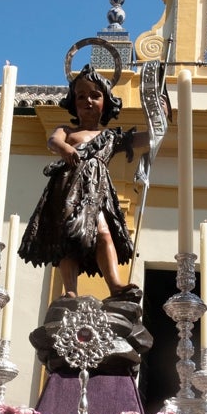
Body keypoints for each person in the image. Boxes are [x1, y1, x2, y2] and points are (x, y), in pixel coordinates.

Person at [19, 64, 150, 298]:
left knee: (104, 233)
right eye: (81, 96)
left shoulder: (110, 137)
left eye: (95, 95)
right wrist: (66, 149)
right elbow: (53, 141)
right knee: (67, 238)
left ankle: (115, 285)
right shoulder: (67, 130)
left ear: (106, 103)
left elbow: (146, 139)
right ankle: (70, 290)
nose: (88, 101)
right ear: (73, 102)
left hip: (96, 193)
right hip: (68, 187)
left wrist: (158, 118)